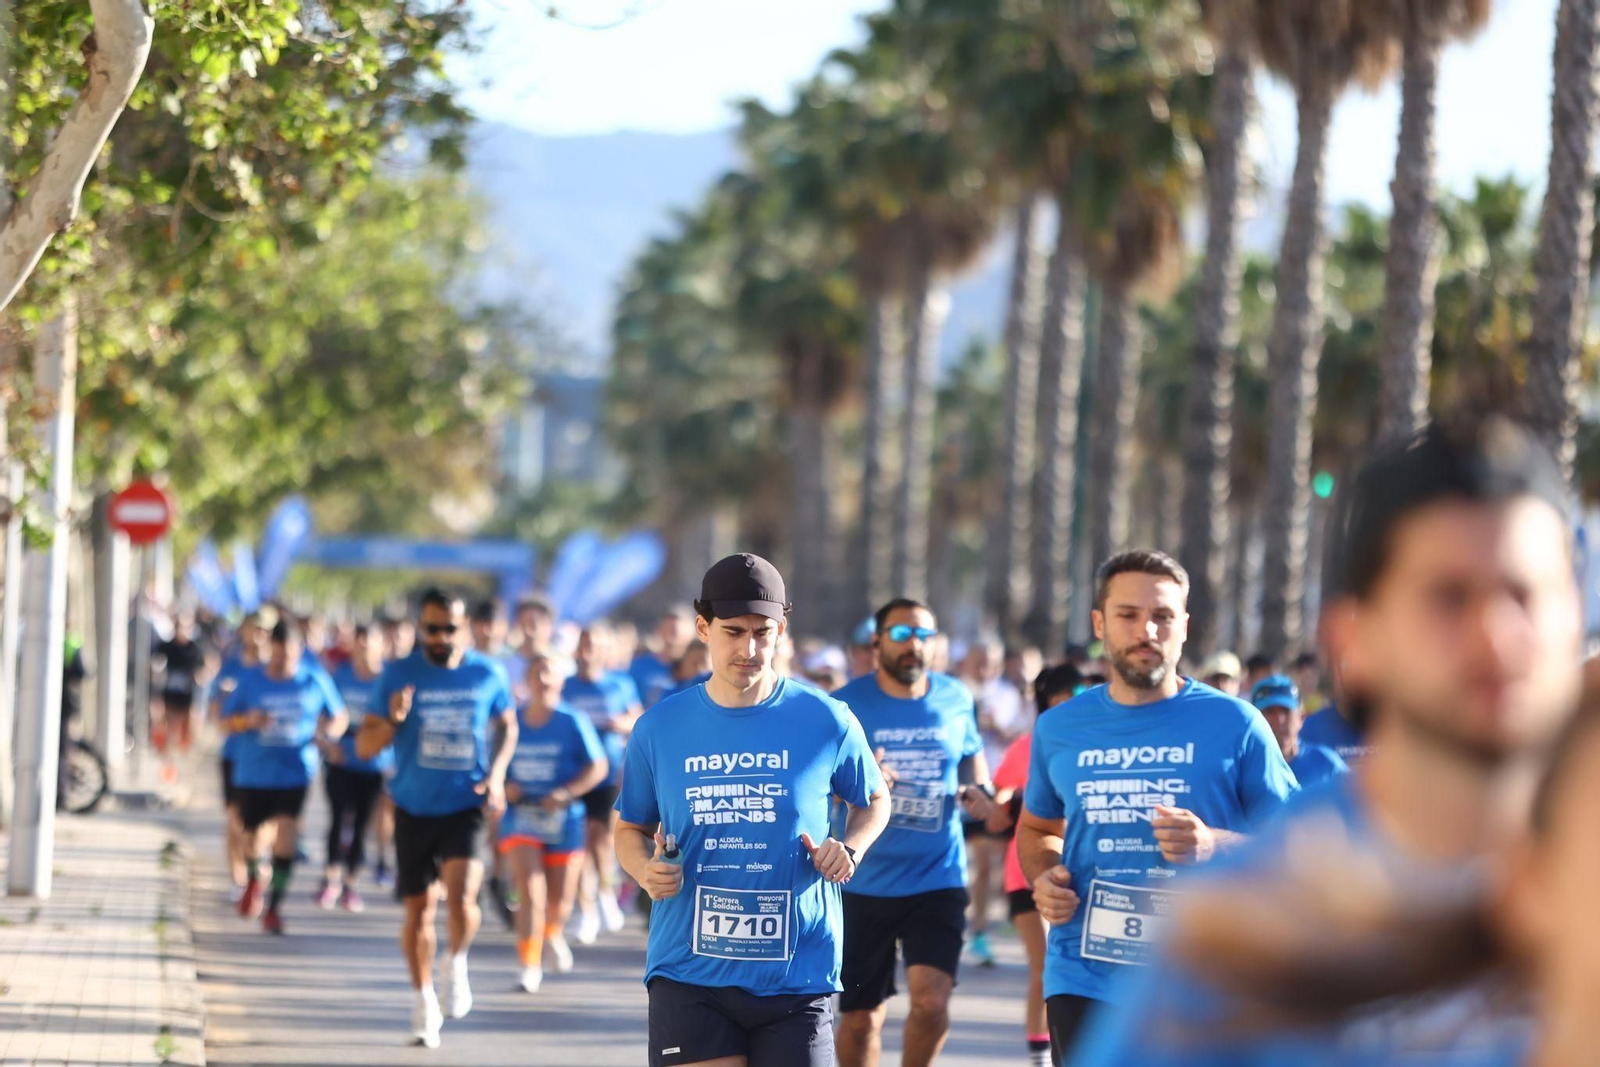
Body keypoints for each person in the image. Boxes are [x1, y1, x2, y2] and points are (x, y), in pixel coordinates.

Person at [1072, 416, 1583, 1064]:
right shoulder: (1244, 929)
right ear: (1354, 639)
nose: (1498, 635)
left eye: (1526, 594)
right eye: (1450, 597)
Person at [1017, 549, 1298, 1061]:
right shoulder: (1060, 728)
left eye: (1162, 616)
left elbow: (1301, 841)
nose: (1146, 630)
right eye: (1128, 614)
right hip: (1084, 973)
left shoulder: (1237, 724)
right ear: (1100, 624)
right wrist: (1046, 875)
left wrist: (1213, 844)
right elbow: (1037, 828)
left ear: (1184, 627)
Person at [615, 553, 891, 1067]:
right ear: (703, 627)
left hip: (797, 973)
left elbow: (875, 798)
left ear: (781, 629)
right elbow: (630, 826)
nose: (749, 649)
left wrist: (850, 848)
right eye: (733, 632)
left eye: (762, 633)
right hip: (689, 970)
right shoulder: (659, 728)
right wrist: (645, 872)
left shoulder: (827, 719)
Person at [833, 599, 995, 1067]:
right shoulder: (845, 705)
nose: (915, 646)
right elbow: (820, 783)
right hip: (863, 879)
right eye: (902, 635)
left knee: (931, 1001)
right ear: (877, 642)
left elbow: (971, 756)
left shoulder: (955, 697)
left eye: (924, 636)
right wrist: (863, 784)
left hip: (937, 874)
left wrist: (980, 791)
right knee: (862, 1018)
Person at [356, 588, 518, 1049]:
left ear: (463, 628)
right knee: (420, 911)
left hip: (466, 801)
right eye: (432, 628)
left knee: (464, 897)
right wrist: (393, 720)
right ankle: (423, 997)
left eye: (449, 628)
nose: (441, 637)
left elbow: (508, 724)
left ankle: (456, 961)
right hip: (413, 806)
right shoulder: (398, 674)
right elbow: (365, 746)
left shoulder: (487, 672)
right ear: (419, 627)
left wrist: (498, 774)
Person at [223, 618, 347, 934]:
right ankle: (255, 876)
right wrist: (246, 721)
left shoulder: (313, 679)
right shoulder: (251, 680)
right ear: (271, 649)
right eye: (278, 655)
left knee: (287, 837)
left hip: (295, 772)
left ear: (300, 650)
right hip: (253, 772)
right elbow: (223, 722)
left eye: (289, 656)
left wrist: (326, 735)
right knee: (252, 840)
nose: (282, 662)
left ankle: (274, 907)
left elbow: (339, 716)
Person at [500, 648, 609, 992]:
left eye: (550, 672)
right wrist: (505, 784)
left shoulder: (572, 720)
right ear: (527, 680)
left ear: (561, 680)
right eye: (537, 672)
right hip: (522, 817)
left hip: (563, 819)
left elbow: (598, 766)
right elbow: (492, 762)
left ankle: (552, 932)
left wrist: (567, 793)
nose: (543, 679)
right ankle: (528, 964)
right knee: (531, 892)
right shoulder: (511, 721)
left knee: (559, 902)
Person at [990, 664, 1082, 1067]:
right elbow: (997, 802)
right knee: (1044, 964)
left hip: (1078, 874)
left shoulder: (1094, 744)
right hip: (1025, 871)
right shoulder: (1027, 746)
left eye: (1079, 693)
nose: (1073, 701)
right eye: (1064, 694)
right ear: (1046, 700)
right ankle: (1040, 1056)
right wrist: (997, 805)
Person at [562, 621, 644, 944]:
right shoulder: (566, 685)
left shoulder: (619, 684)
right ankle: (586, 909)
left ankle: (605, 893)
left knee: (601, 838)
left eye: (594, 644)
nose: (588, 650)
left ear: (605, 650)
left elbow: (639, 719)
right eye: (584, 643)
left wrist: (621, 723)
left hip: (611, 772)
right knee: (581, 840)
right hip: (574, 772)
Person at [957, 637, 1026, 967]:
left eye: (993, 663)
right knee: (974, 862)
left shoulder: (1008, 695)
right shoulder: (954, 692)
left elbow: (1019, 737)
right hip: (960, 790)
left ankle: (984, 928)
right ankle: (972, 928)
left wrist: (995, 727)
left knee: (991, 863)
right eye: (980, 662)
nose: (986, 669)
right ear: (968, 663)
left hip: (998, 789)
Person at [320, 623, 392, 912]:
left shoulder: (389, 679)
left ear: (381, 644)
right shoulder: (341, 675)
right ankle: (331, 878)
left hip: (373, 764)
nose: (363, 648)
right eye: (358, 643)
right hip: (341, 759)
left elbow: (397, 722)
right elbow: (323, 713)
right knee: (339, 818)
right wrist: (328, 743)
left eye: (369, 642)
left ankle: (351, 883)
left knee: (361, 825)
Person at [210, 610, 272, 896]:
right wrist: (241, 721)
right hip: (234, 755)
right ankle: (238, 879)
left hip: (268, 758)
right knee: (235, 819)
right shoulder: (231, 667)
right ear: (244, 630)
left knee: (264, 822)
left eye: (264, 630)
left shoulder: (276, 669)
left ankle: (258, 860)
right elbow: (215, 714)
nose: (258, 635)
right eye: (254, 628)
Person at [1248, 674, 1348, 788]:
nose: (1279, 720)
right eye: (1269, 711)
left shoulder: (1325, 764)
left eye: (1285, 711)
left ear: (1301, 718)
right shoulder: (1244, 769)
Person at [155, 613, 210, 764]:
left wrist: (200, 676)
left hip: (187, 696)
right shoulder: (167, 646)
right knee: (168, 725)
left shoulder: (194, 648)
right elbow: (155, 658)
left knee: (187, 728)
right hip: (169, 694)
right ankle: (168, 756)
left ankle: (183, 754)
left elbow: (203, 669)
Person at [631, 605, 697, 709]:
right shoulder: (640, 666)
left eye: (676, 632)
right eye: (669, 630)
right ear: (659, 631)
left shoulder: (699, 667)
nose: (671, 638)